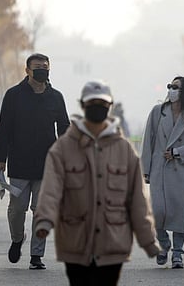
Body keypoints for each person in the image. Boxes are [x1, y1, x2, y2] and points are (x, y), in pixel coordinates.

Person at [34, 81, 159, 286]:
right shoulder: (64, 148)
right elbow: (51, 189)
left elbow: (138, 200)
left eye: (102, 103)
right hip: (75, 241)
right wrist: (44, 220)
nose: (97, 108)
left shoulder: (124, 149)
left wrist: (148, 240)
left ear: (109, 107)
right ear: (83, 106)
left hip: (113, 241)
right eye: (93, 103)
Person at [0, 53, 70, 270]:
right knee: (17, 210)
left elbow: (64, 127)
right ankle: (17, 239)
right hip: (19, 162)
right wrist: (0, 160)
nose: (42, 70)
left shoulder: (56, 97)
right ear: (27, 70)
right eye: (37, 67)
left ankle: (37, 255)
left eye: (45, 67)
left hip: (47, 164)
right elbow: (4, 128)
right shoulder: (14, 95)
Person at [141, 76, 184, 269]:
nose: (171, 90)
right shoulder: (158, 112)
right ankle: (163, 244)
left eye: (176, 87)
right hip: (159, 169)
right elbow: (148, 142)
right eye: (170, 86)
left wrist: (179, 152)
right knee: (157, 211)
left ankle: (178, 253)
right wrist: (145, 170)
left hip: (182, 171)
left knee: (179, 212)